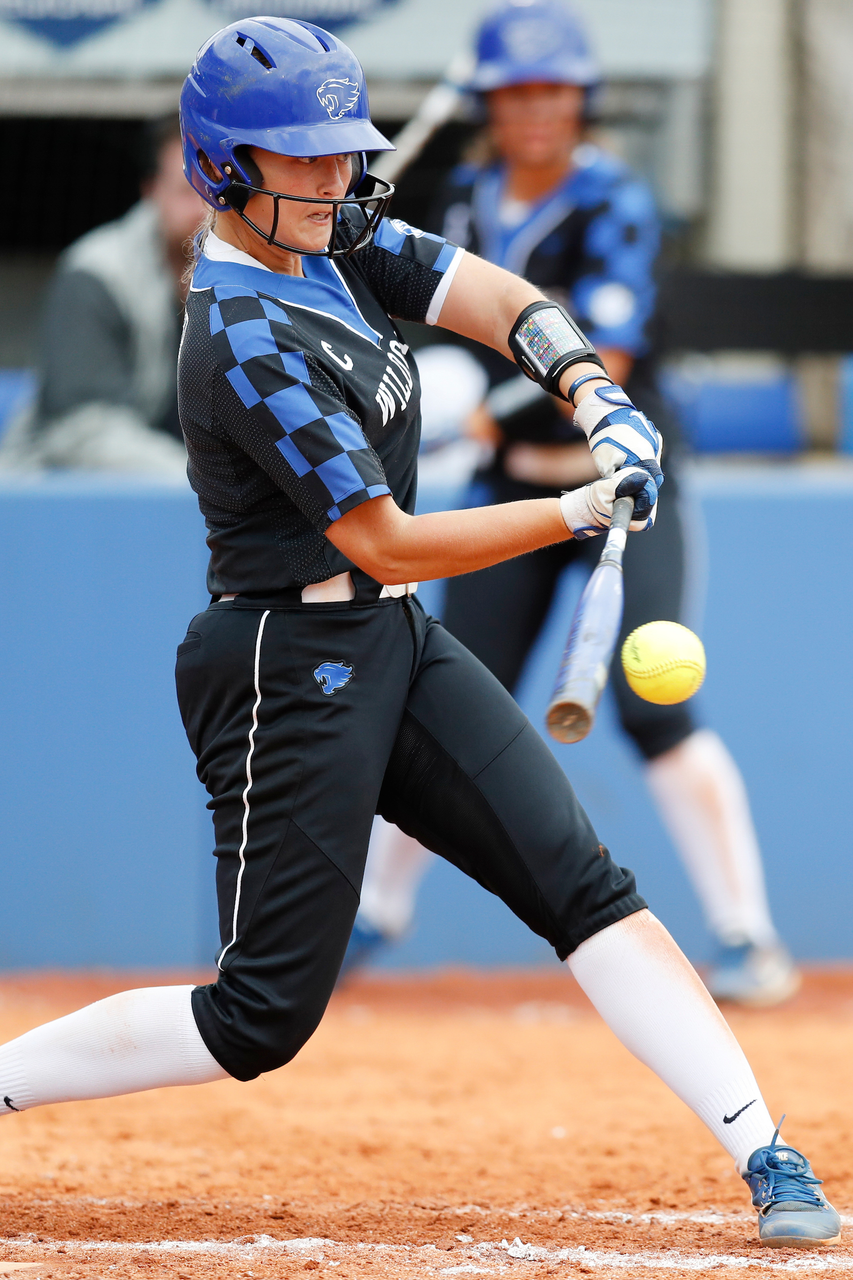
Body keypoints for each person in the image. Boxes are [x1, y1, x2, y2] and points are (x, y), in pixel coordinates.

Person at [0, 16, 838, 1250]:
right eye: (306, 157)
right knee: (258, 1018)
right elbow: (384, 541)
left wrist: (592, 390)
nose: (337, 178)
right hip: (286, 664)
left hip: (393, 646)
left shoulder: (326, 239)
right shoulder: (239, 337)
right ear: (225, 167)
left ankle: (763, 1145)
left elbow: (491, 295)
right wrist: (572, 505)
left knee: (584, 885)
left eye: (344, 153)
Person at [345, 0, 799, 1008]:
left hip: (623, 482)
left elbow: (613, 350)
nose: (536, 111)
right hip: (513, 490)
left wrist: (485, 410)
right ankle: (373, 912)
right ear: (489, 107)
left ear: (581, 100)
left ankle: (746, 936)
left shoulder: (615, 200)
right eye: (515, 93)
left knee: (653, 699)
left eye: (553, 90)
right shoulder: (461, 200)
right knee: (447, 700)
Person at [0, 117, 205, 477]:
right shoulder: (97, 273)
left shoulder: (261, 274)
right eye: (189, 192)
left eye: (217, 192)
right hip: (65, 502)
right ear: (151, 191)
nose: (206, 211)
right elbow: (82, 429)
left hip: (198, 507)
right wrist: (202, 482)